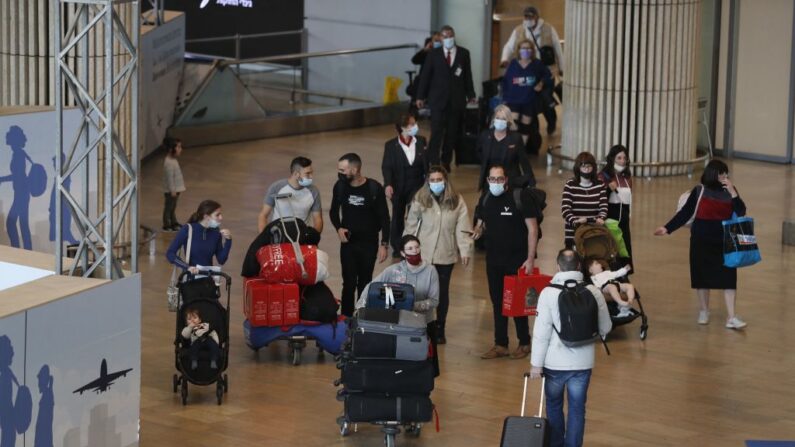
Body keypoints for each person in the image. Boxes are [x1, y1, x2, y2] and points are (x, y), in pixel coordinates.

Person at [529, 249, 612, 447]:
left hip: (554, 364)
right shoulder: (592, 291)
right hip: (582, 364)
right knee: (577, 409)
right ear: (578, 267)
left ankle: (556, 444)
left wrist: (536, 365)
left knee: (554, 405)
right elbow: (606, 327)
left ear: (558, 267)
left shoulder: (548, 293)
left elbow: (541, 334)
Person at [654, 160, 748, 329]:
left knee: (729, 278)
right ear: (713, 174)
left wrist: (734, 193)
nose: (725, 177)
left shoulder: (730, 192)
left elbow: (741, 211)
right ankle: (704, 311)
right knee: (702, 277)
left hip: (725, 241)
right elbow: (685, 213)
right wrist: (667, 228)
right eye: (721, 174)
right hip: (701, 240)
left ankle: (731, 316)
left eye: (726, 174)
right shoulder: (699, 191)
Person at [472, 165, 539, 359]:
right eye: (492, 179)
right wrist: (477, 230)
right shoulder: (486, 198)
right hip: (493, 260)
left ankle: (524, 342)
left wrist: (530, 258)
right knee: (497, 301)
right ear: (487, 181)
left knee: (518, 302)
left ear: (506, 180)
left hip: (517, 260)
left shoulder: (520, 197)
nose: (496, 183)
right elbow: (482, 222)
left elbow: (532, 229)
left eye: (499, 179)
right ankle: (501, 344)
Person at [404, 165, 473, 344]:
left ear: (445, 180)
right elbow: (411, 224)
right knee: (421, 292)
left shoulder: (457, 200)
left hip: (445, 254)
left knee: (441, 293)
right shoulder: (420, 198)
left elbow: (463, 227)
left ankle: (440, 328)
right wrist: (406, 248)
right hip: (423, 255)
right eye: (432, 180)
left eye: (439, 180)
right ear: (428, 181)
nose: (436, 183)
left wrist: (465, 250)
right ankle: (421, 326)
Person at [357, 235, 441, 375]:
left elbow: (434, 300)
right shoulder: (394, 270)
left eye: (416, 247)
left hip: (423, 324)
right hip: (400, 323)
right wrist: (360, 305)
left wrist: (412, 306)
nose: (414, 251)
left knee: (426, 367)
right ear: (402, 253)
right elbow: (372, 286)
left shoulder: (431, 271)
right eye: (409, 248)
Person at [330, 153, 390, 317]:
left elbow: (385, 217)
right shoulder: (340, 187)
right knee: (348, 284)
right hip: (348, 243)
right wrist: (338, 228)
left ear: (355, 170)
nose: (340, 173)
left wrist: (384, 244)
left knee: (364, 283)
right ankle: (346, 319)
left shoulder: (374, 188)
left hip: (369, 243)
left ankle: (362, 317)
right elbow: (333, 212)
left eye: (343, 170)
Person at [415, 25, 476, 171]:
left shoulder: (463, 53)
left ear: (454, 36)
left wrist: (471, 94)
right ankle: (434, 161)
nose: (448, 38)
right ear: (440, 38)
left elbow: (468, 75)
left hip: (456, 100)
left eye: (450, 35)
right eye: (445, 36)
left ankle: (446, 160)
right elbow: (425, 77)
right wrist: (420, 96)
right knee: (436, 131)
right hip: (437, 100)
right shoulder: (433, 54)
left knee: (452, 133)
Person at [500, 6, 564, 135]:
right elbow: (509, 45)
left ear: (536, 17)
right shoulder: (519, 30)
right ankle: (532, 133)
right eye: (526, 17)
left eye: (531, 16)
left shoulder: (548, 29)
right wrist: (505, 59)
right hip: (528, 72)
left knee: (546, 99)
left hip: (546, 71)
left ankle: (551, 121)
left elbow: (557, 48)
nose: (528, 19)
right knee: (531, 101)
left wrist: (562, 68)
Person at [382, 114, 429, 257]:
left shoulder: (421, 141)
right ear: (402, 128)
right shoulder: (391, 145)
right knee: (397, 215)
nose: (415, 127)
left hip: (417, 184)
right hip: (398, 185)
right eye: (411, 125)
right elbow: (387, 167)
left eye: (414, 123)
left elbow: (427, 163)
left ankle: (416, 242)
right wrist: (388, 184)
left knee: (414, 212)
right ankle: (397, 246)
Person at [501, 39, 552, 154]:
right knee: (513, 125)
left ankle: (521, 151)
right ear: (519, 50)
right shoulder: (513, 63)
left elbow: (548, 76)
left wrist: (541, 83)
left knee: (525, 126)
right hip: (513, 99)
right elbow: (506, 82)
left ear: (532, 50)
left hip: (529, 100)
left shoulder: (537, 64)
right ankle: (511, 149)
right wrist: (504, 99)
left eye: (528, 48)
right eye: (523, 48)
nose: (526, 50)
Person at [477, 104, 535, 192]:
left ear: (508, 121)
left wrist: (531, 182)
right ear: (493, 119)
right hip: (490, 182)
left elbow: (524, 161)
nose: (500, 121)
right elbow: (478, 152)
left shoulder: (516, 138)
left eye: (503, 119)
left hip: (511, 183)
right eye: (498, 118)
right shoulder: (485, 136)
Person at [258, 156, 323, 233]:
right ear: (296, 174)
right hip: (279, 234)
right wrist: (264, 235)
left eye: (312, 173)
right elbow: (263, 215)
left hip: (302, 235)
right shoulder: (276, 187)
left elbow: (318, 219)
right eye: (307, 174)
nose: (311, 176)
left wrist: (314, 237)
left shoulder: (314, 191)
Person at [166, 200, 232, 275]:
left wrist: (228, 240)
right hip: (190, 280)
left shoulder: (216, 233)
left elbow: (221, 260)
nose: (221, 217)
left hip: (208, 280)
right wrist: (187, 267)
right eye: (217, 215)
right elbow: (170, 253)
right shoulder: (187, 229)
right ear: (206, 216)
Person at [561, 152, 608, 249]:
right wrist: (576, 221)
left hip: (594, 232)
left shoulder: (600, 185)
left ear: (593, 168)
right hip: (573, 233)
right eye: (583, 166)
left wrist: (601, 218)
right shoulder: (570, 185)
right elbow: (565, 210)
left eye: (589, 166)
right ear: (578, 168)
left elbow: (604, 207)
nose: (586, 169)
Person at [599, 145, 633, 266]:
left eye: (624, 158)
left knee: (624, 246)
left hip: (624, 218)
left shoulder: (627, 177)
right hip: (610, 217)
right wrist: (608, 189)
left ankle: (624, 272)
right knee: (612, 247)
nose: (622, 161)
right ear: (612, 158)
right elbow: (599, 198)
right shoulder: (603, 176)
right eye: (619, 158)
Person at [161, 137, 185, 232]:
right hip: (172, 191)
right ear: (171, 149)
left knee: (173, 207)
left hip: (176, 189)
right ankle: (167, 224)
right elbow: (170, 178)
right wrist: (172, 190)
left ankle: (173, 222)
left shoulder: (173, 160)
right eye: (178, 147)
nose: (180, 149)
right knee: (169, 207)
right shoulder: (169, 163)